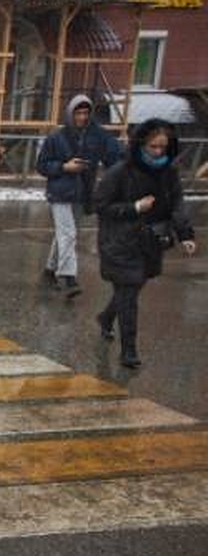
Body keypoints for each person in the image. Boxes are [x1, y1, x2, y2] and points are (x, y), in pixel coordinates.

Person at [92, 117, 197, 368]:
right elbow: (101, 205)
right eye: (154, 147)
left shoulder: (168, 172)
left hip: (151, 242)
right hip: (120, 242)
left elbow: (177, 204)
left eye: (163, 147)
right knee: (128, 294)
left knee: (132, 288)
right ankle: (129, 351)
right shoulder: (120, 172)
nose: (159, 152)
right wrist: (134, 207)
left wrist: (185, 234)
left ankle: (106, 318)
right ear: (141, 144)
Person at [36, 94, 122, 298]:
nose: (82, 117)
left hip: (83, 191)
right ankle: (68, 277)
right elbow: (42, 165)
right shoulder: (57, 137)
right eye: (78, 113)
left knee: (66, 233)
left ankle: (50, 270)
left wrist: (127, 170)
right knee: (68, 233)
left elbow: (115, 155)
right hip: (60, 191)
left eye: (85, 113)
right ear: (70, 113)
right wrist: (64, 167)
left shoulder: (97, 136)